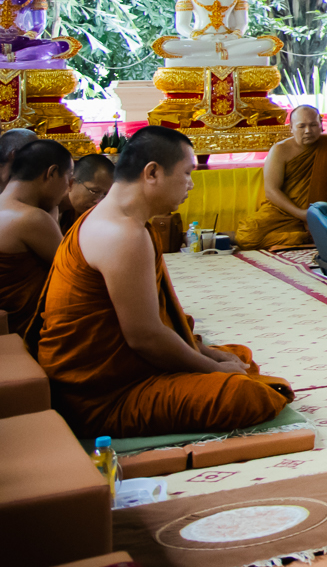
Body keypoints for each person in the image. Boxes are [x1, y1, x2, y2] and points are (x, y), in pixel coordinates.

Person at [37, 126, 294, 437]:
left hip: (116, 369)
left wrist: (209, 355)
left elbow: (154, 324)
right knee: (248, 395)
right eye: (187, 173)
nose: (191, 184)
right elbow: (145, 337)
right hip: (100, 396)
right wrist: (213, 368)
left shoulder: (115, 219)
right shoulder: (122, 234)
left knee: (237, 356)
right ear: (152, 173)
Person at [235, 105, 327, 250]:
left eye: (313, 125)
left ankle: (310, 235)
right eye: (301, 126)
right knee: (247, 234)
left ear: (321, 125)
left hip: (321, 210)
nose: (308, 131)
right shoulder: (280, 150)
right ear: (291, 128)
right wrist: (302, 215)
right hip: (285, 212)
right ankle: (303, 237)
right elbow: (272, 191)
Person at [0, 139, 70, 340]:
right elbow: (72, 270)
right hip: (19, 336)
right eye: (69, 178)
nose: (68, 190)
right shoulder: (31, 219)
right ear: (51, 173)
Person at [58, 153, 112, 233]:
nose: (98, 201)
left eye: (105, 194)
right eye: (94, 191)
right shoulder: (50, 208)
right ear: (71, 183)